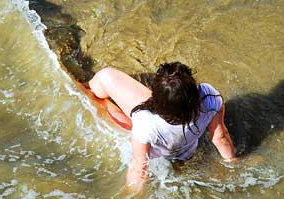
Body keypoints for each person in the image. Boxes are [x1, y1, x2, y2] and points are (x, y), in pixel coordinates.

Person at [86, 62, 236, 190]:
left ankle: (85, 91)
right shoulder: (209, 97)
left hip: (152, 144)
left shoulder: (145, 120)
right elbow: (221, 138)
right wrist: (232, 163)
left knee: (105, 77)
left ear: (156, 101)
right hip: (185, 153)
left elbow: (140, 167)